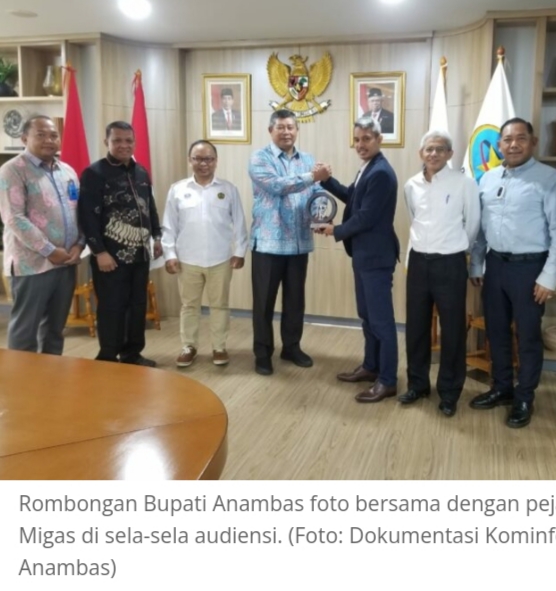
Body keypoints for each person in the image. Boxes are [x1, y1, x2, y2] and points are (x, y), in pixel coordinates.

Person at [469, 117, 556, 428]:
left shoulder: (549, 179)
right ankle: (502, 387)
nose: (513, 144)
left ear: (533, 142)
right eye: (507, 139)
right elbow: (481, 229)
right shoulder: (488, 179)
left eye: (521, 138)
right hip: (495, 266)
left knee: (527, 336)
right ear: (499, 144)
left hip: (531, 269)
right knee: (496, 331)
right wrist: (477, 263)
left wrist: (549, 277)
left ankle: (525, 396)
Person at [398, 130, 480, 416]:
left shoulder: (464, 183)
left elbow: (472, 225)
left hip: (450, 263)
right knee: (416, 327)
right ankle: (418, 384)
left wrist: (455, 248)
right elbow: (413, 219)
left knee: (453, 330)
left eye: (440, 149)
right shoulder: (411, 185)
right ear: (421, 153)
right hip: (419, 263)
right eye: (429, 149)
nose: (433, 153)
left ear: (450, 154)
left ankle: (449, 391)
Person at [318, 117, 400, 403]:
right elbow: (352, 198)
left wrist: (335, 230)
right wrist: (326, 181)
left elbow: (366, 217)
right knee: (367, 317)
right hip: (364, 256)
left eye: (366, 139)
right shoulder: (368, 168)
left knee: (381, 321)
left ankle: (387, 380)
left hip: (376, 258)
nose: (360, 144)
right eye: (357, 139)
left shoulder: (381, 173)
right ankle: (371, 366)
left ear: (379, 140)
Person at [248, 109, 331, 375]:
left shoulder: (307, 159)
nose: (286, 132)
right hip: (268, 244)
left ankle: (291, 347)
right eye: (281, 127)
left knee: (295, 301)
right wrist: (312, 177)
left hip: (298, 242)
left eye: (291, 127)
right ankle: (263, 353)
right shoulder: (259, 158)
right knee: (264, 303)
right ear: (270, 130)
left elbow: (317, 192)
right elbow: (277, 186)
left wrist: (321, 215)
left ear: (297, 130)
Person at [78, 121, 162, 366]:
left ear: (134, 142)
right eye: (117, 140)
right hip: (110, 257)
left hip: (140, 255)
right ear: (107, 142)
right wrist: (99, 252)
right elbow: (87, 216)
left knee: (137, 306)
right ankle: (107, 356)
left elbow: (150, 208)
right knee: (112, 307)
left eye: (128, 140)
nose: (124, 145)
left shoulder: (141, 172)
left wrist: (157, 237)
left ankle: (132, 353)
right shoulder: (94, 173)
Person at [0, 115, 83, 354]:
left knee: (55, 330)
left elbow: (79, 211)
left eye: (53, 135)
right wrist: (49, 250)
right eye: (41, 135)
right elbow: (14, 218)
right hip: (32, 265)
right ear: (24, 138)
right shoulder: (12, 170)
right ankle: (21, 378)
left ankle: (51, 374)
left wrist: (79, 245)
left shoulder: (67, 171)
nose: (49, 140)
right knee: (25, 331)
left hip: (66, 262)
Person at [162, 139, 248, 367]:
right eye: (198, 159)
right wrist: (170, 254)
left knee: (220, 305)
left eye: (208, 159)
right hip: (187, 259)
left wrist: (240, 251)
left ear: (216, 161)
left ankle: (219, 347)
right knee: (189, 306)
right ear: (190, 160)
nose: (203, 163)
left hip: (220, 259)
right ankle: (188, 346)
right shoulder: (178, 189)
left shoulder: (228, 189)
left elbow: (239, 223)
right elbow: (169, 225)